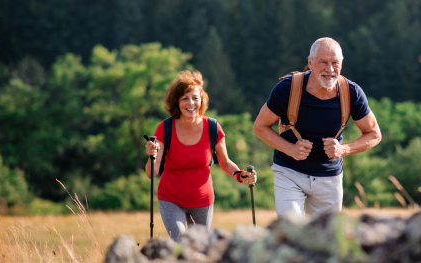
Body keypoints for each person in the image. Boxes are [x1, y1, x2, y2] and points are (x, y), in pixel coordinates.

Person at [252, 37, 381, 217]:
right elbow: (260, 127)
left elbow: (374, 134)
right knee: (292, 232)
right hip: (289, 172)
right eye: (323, 62)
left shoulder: (351, 92)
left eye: (335, 63)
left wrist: (343, 149)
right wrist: (290, 149)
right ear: (310, 63)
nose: (330, 69)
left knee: (326, 239)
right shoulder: (286, 89)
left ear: (342, 63)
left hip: (330, 178)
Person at [145, 70, 256, 241]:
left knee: (200, 247)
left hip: (203, 201)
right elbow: (151, 173)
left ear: (202, 100)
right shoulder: (165, 128)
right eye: (185, 98)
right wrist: (151, 156)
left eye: (195, 98)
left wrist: (241, 175)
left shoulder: (212, 127)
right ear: (177, 102)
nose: (191, 103)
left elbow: (225, 163)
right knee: (180, 241)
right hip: (170, 199)